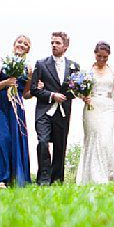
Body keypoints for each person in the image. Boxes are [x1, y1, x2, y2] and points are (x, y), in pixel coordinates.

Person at [0, 34, 34, 189]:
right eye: (19, 42)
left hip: (17, 107)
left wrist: (36, 90)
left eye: (25, 44)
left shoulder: (29, 69)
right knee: (1, 139)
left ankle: (14, 180)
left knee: (15, 141)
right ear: (14, 44)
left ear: (28, 49)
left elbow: (26, 93)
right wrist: (6, 82)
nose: (22, 45)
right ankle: (0, 180)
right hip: (0, 106)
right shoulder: (1, 62)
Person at [30, 31, 79, 185]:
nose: (54, 45)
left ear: (65, 46)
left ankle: (57, 180)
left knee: (60, 146)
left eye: (57, 43)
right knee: (43, 142)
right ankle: (43, 180)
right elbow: (33, 89)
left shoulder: (74, 66)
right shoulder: (41, 64)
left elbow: (77, 90)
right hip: (44, 111)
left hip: (63, 112)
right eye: (52, 42)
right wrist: (51, 95)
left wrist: (67, 95)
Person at [76, 41, 114, 184]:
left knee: (105, 139)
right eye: (99, 56)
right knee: (92, 138)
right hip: (92, 106)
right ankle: (91, 177)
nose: (102, 59)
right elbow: (77, 89)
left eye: (105, 57)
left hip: (108, 107)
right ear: (95, 54)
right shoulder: (87, 70)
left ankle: (108, 176)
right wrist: (83, 96)